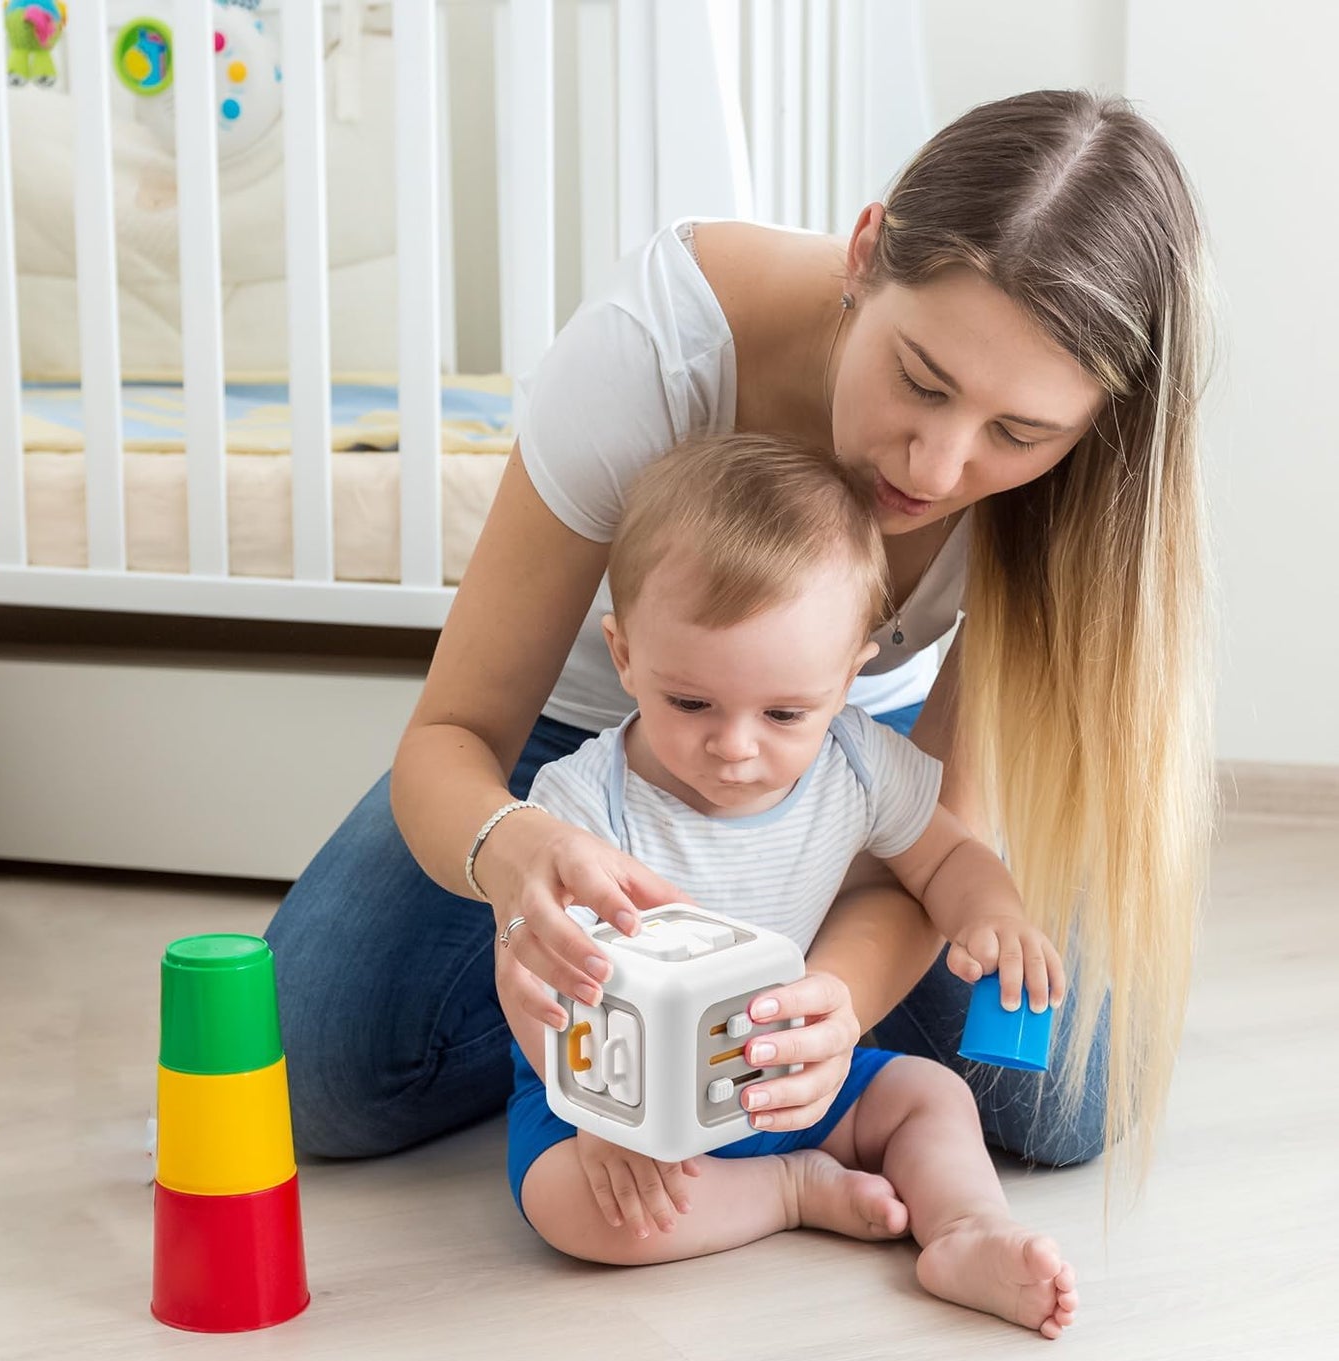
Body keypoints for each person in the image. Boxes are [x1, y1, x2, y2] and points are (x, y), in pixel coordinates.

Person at [266, 90, 1213, 1183]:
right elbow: (451, 734)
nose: (935, 467)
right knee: (317, 1069)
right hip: (571, 741)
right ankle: (619, 1041)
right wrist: (516, 864)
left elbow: (942, 828)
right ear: (864, 253)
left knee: (1071, 1093)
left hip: (841, 743)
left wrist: (835, 1007)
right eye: (919, 379)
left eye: (1017, 432)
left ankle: (733, 1034)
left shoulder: (1070, 497)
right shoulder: (655, 351)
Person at [500, 434, 1079, 1338]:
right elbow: (529, 978)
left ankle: (967, 1229)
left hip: (797, 1074)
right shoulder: (582, 801)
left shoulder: (855, 758)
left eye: (782, 713)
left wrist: (992, 912)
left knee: (933, 1095)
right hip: (618, 1096)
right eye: (689, 702)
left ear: (847, 678)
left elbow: (945, 857)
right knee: (569, 1206)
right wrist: (602, 1118)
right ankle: (786, 1190)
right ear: (623, 655)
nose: (734, 747)